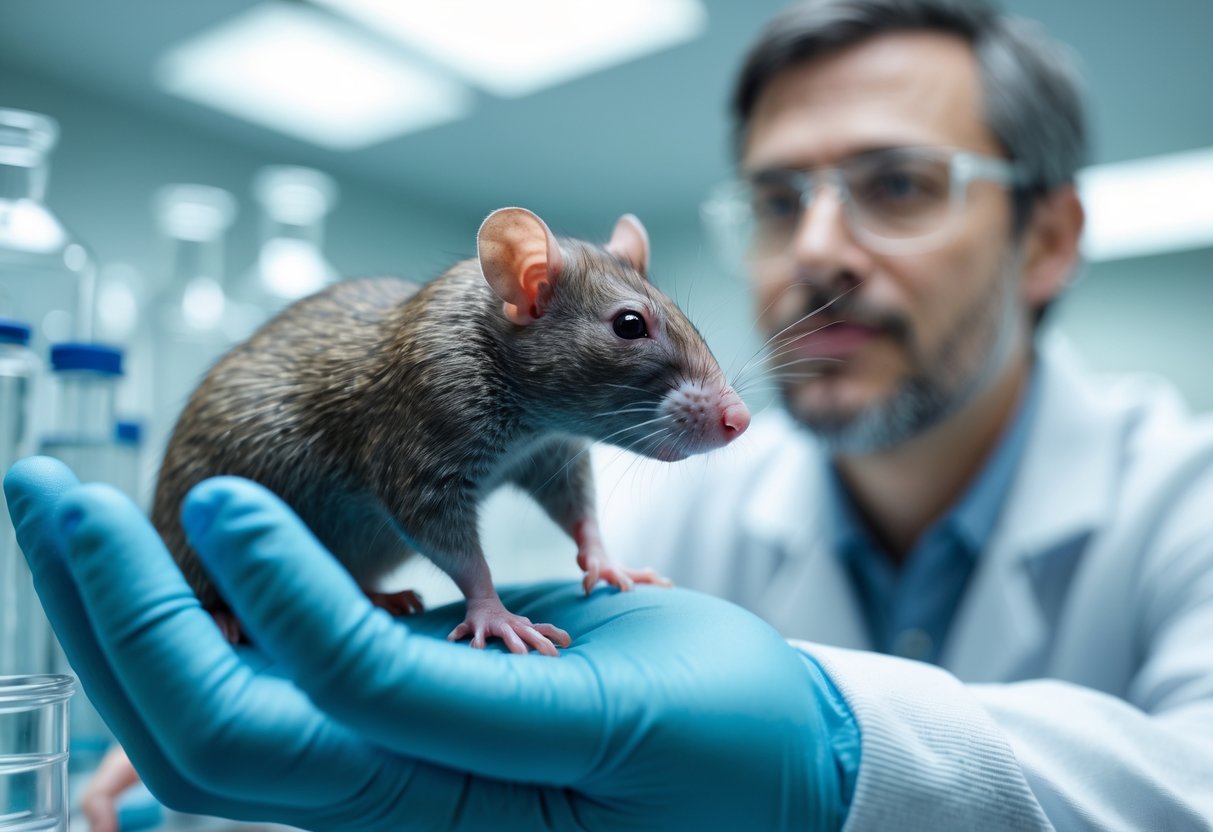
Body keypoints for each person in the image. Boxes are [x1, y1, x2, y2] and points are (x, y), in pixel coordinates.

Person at [7, 1, 1213, 830]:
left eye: (896, 185)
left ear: (1050, 236)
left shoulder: (1184, 496)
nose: (819, 250)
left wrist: (845, 747)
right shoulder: (690, 504)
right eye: (777, 197)